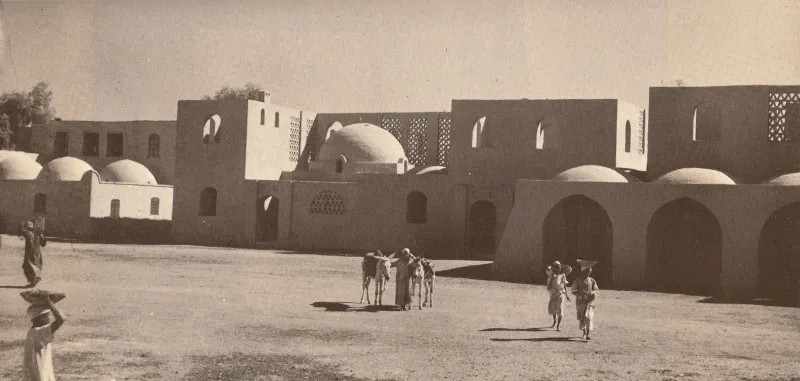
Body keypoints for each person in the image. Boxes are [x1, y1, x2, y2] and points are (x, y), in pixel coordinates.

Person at [24, 297, 66, 381]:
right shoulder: (40, 333)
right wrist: (49, 302)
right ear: (41, 317)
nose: (49, 318)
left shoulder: (31, 332)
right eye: (48, 315)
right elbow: (61, 319)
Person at [571, 260, 599, 341]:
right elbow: (573, 290)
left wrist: (593, 294)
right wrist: (580, 294)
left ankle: (588, 334)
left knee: (589, 317)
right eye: (587, 272)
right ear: (583, 272)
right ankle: (584, 333)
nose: (588, 273)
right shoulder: (577, 280)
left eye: (589, 272)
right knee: (582, 317)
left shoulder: (592, 280)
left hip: (590, 302)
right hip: (581, 302)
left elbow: (596, 290)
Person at [21, 220, 47, 288]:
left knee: (28, 266)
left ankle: (33, 281)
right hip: (37, 253)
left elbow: (23, 232)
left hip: (31, 253)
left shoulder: (29, 233)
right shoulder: (38, 233)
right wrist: (41, 233)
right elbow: (43, 244)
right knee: (35, 265)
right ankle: (35, 279)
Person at [546, 261, 571, 331]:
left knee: (559, 308)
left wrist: (567, 295)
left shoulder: (563, 275)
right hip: (553, 294)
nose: (558, 269)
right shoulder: (551, 275)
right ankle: (554, 322)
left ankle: (558, 325)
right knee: (553, 308)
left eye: (559, 268)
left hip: (560, 294)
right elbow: (549, 286)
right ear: (554, 268)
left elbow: (564, 285)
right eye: (556, 268)